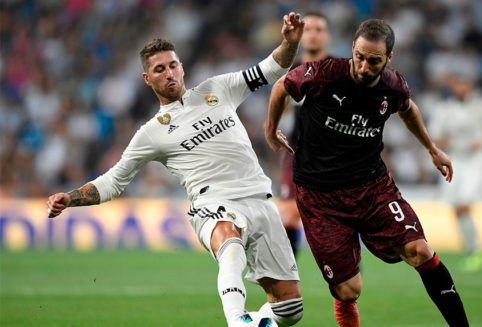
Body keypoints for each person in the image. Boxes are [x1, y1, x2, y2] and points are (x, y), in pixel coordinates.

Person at [46, 13, 305, 327]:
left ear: (182, 67)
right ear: (148, 79)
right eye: (159, 69)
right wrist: (70, 198)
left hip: (260, 199)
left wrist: (290, 42)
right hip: (213, 203)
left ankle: (260, 322)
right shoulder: (151, 132)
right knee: (230, 246)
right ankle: (238, 320)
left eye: (172, 65)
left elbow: (273, 68)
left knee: (289, 311)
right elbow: (114, 181)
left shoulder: (218, 88)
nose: (168, 73)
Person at [265, 19, 469, 326]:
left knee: (420, 250)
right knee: (348, 290)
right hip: (320, 197)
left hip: (372, 188)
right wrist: (271, 130)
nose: (363, 66)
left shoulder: (393, 85)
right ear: (352, 50)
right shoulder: (323, 74)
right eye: (359, 57)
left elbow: (407, 107)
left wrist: (431, 148)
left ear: (388, 58)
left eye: (373, 60)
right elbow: (282, 86)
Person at [428, 73, 482, 272]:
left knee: (464, 204)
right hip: (454, 159)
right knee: (455, 207)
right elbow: (434, 135)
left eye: (464, 84)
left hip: (477, 159)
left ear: (470, 85)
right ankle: (470, 248)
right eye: (457, 84)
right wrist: (444, 143)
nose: (461, 88)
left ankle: (475, 249)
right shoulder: (444, 109)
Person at [276, 12, 331, 258]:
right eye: (307, 29)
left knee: (332, 217)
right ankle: (288, 276)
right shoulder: (291, 71)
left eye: (318, 29)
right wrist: (273, 128)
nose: (312, 34)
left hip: (331, 156)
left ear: (326, 35)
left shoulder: (338, 71)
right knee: (289, 213)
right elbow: (281, 105)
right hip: (297, 154)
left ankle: (348, 276)